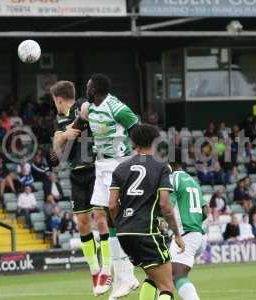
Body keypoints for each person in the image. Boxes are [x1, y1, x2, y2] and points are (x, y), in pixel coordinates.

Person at [109, 124, 185, 300]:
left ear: (133, 143)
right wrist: (177, 234)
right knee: (166, 286)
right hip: (146, 231)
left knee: (152, 277)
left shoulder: (120, 168)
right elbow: (166, 205)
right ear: (155, 142)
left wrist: (121, 223)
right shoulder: (161, 167)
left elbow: (112, 205)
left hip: (124, 233)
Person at [50, 80, 112, 297]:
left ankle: (107, 269)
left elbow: (85, 115)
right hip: (76, 173)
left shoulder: (82, 104)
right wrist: (65, 135)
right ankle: (94, 270)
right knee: (83, 223)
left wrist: (67, 133)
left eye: (54, 101)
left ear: (58, 99)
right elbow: (57, 149)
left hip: (95, 168)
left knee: (101, 219)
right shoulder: (59, 119)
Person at [82, 74, 140, 299]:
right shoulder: (89, 108)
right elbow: (78, 123)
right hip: (101, 164)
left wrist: (137, 157)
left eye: (88, 85)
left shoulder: (117, 108)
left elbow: (137, 128)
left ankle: (126, 275)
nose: (85, 87)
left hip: (118, 165)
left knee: (115, 217)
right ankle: (125, 276)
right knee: (101, 216)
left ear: (94, 89)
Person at [169, 161, 207, 300]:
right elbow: (205, 213)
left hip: (185, 234)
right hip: (196, 234)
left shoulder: (173, 179)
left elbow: (167, 207)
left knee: (176, 275)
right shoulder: (193, 181)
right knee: (167, 274)